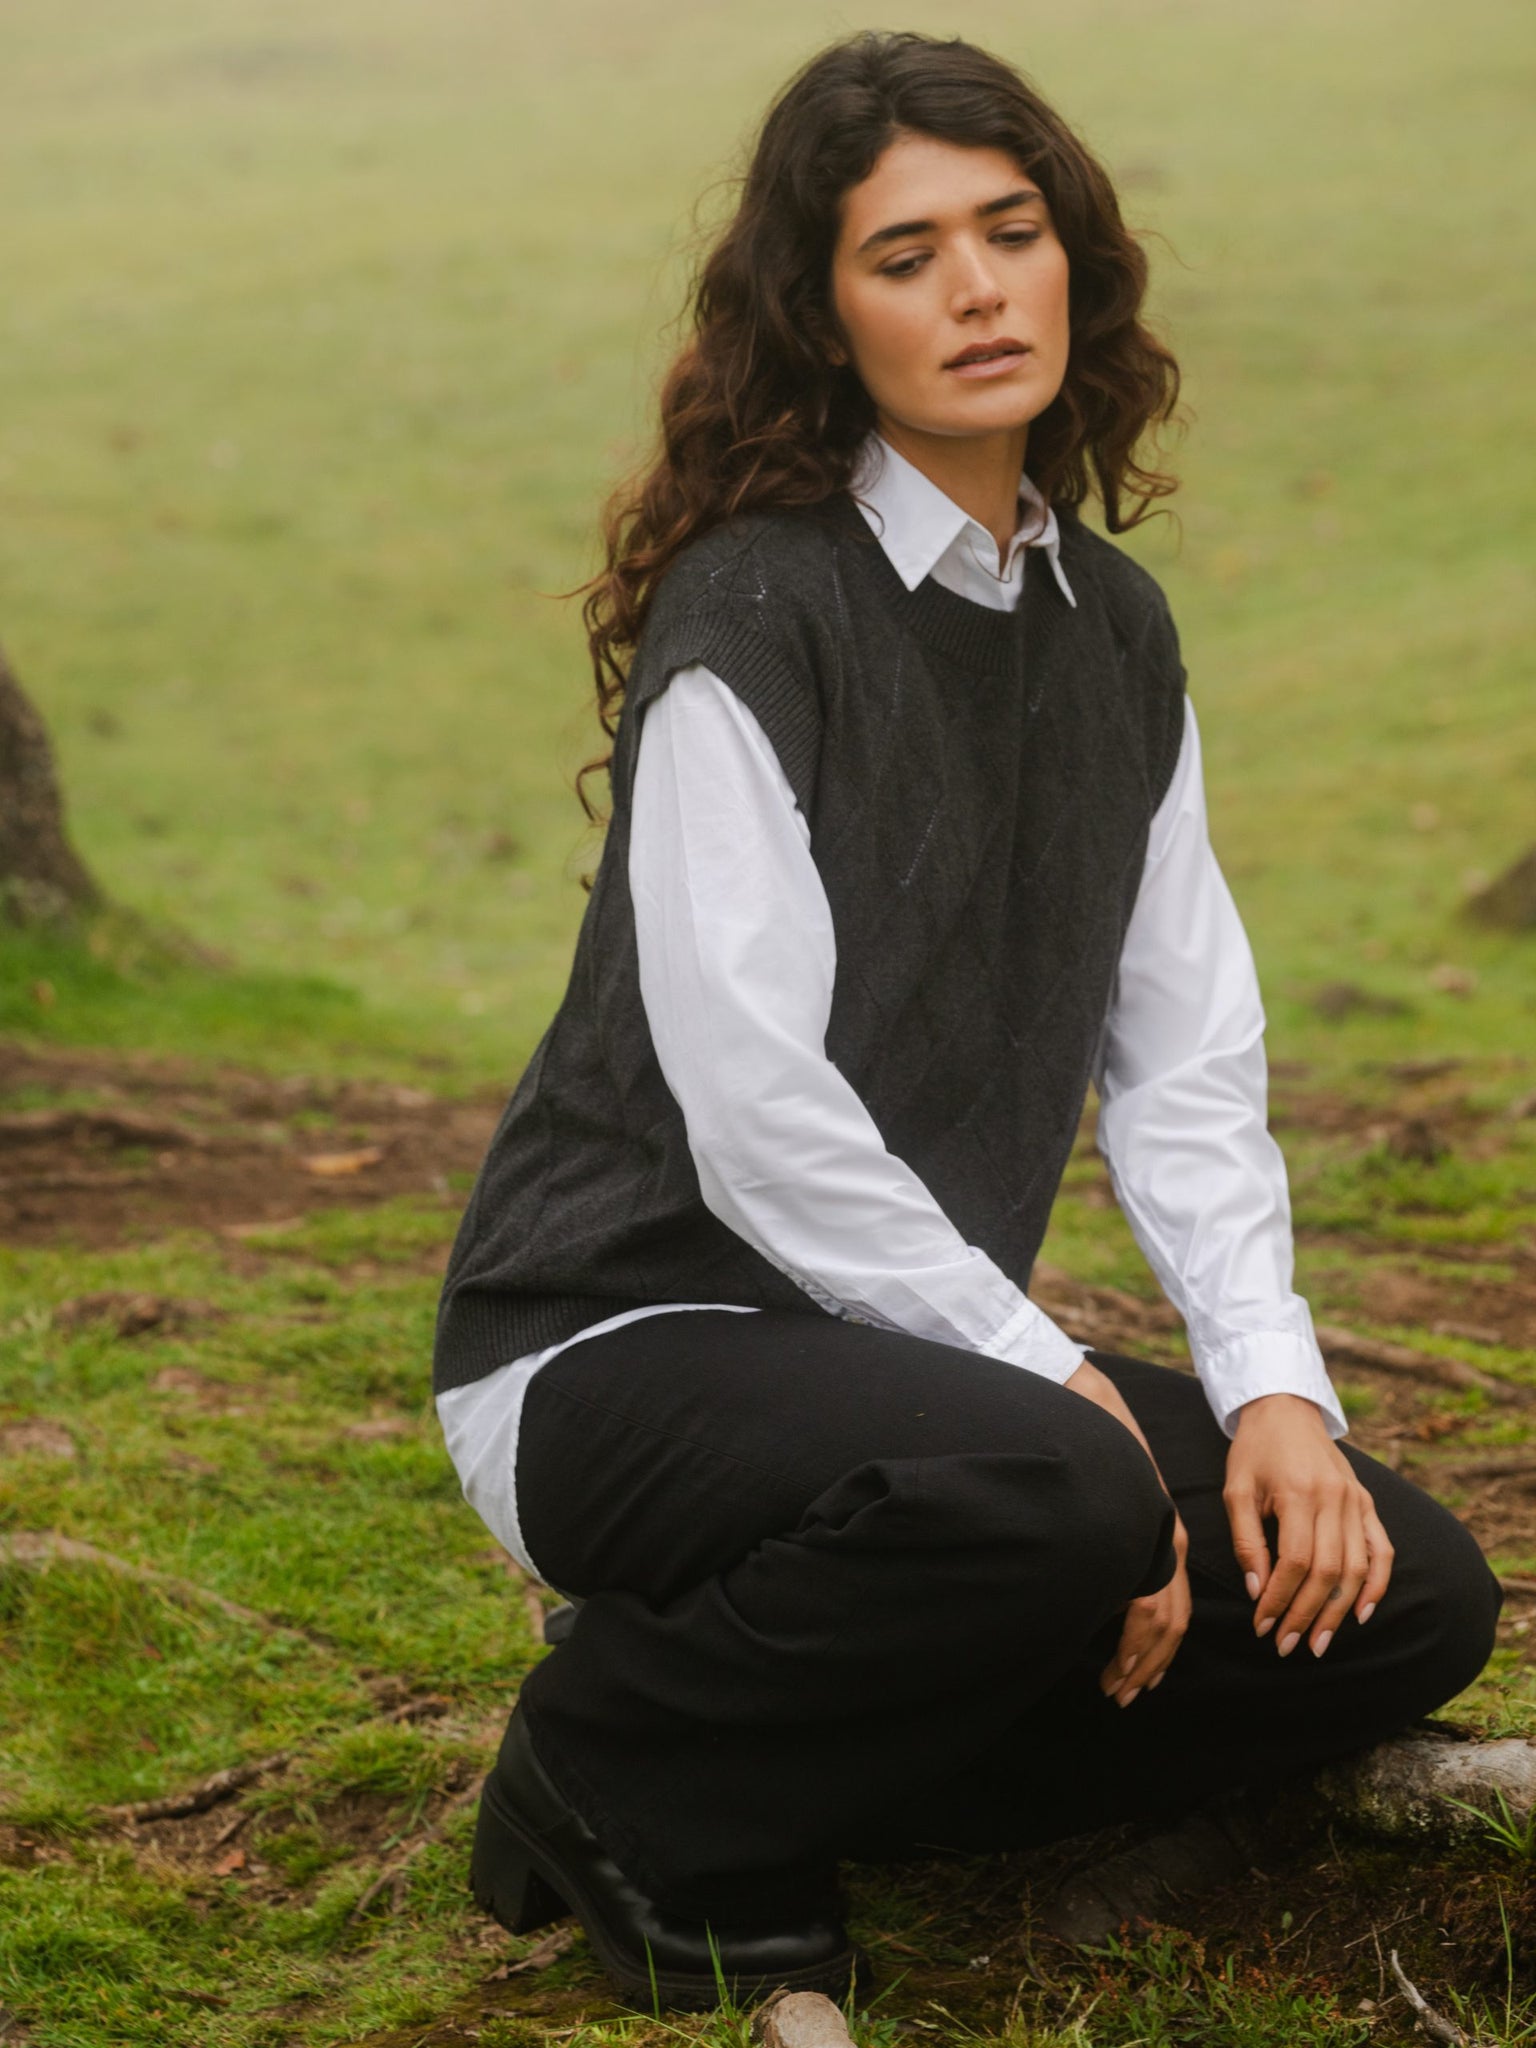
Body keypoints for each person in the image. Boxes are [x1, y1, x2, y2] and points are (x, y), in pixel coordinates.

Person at [432, 30, 1502, 2012]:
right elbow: (755, 1112)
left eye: (1011, 232)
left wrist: (1275, 1389)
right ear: (822, 316)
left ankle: (826, 1752)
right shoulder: (758, 610)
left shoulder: (1118, 636)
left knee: (1405, 1594)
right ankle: (617, 1764)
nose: (978, 290)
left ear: (1075, 259)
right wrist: (1053, 1381)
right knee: (1073, 1495)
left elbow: (1184, 1070)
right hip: (616, 1341)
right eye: (905, 255)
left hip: (910, 1379)